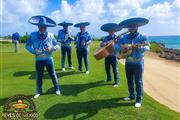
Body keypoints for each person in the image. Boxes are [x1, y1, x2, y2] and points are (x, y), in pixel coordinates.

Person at [115, 17, 150, 107]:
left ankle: (139, 100)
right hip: (128, 62)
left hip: (138, 62)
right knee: (129, 80)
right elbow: (117, 47)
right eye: (130, 26)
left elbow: (147, 47)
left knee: (138, 81)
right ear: (128, 28)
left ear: (137, 26)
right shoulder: (125, 37)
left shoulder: (142, 36)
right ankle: (131, 95)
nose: (132, 27)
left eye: (134, 26)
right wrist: (120, 45)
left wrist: (139, 48)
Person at [25, 15, 61, 99]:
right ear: (38, 26)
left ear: (47, 27)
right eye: (41, 26)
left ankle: (57, 89)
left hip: (49, 59)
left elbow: (58, 45)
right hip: (38, 60)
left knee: (53, 74)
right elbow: (27, 46)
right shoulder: (33, 35)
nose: (43, 28)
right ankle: (38, 91)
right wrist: (34, 51)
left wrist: (52, 48)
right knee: (39, 76)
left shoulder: (51, 35)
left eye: (44, 26)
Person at [100, 23, 121, 87]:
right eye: (109, 31)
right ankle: (109, 78)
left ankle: (117, 82)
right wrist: (106, 43)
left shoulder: (117, 38)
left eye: (112, 30)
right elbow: (101, 44)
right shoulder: (106, 38)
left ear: (114, 31)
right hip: (107, 55)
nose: (110, 32)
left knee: (115, 69)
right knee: (107, 68)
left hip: (114, 56)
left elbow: (120, 46)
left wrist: (115, 43)